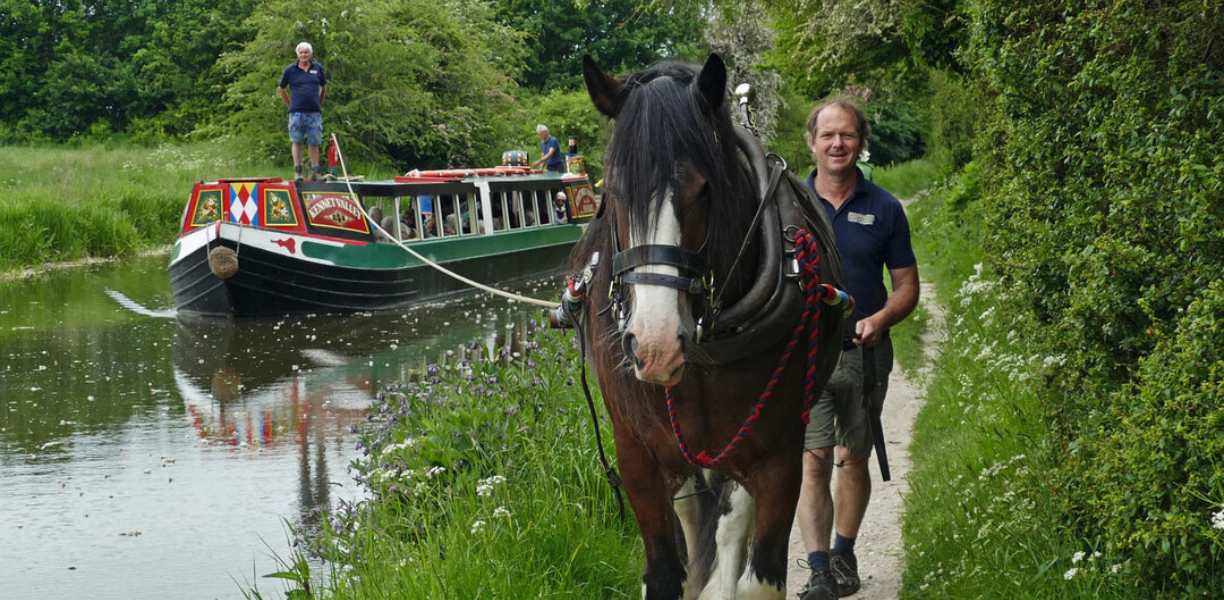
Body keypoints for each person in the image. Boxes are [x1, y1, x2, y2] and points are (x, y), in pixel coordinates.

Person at [797, 98, 920, 600]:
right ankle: (819, 569)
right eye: (828, 135)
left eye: (846, 135)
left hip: (864, 354)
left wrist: (881, 318)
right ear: (812, 142)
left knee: (853, 457)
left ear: (859, 142)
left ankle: (844, 553)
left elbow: (908, 286)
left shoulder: (885, 207)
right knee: (813, 460)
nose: (837, 144)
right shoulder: (791, 205)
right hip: (805, 359)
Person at [278, 41, 327, 181]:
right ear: (297, 54)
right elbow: (281, 88)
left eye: (306, 52)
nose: (304, 55)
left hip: (314, 112)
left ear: (310, 53)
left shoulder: (318, 68)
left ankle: (315, 172)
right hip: (296, 112)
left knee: (314, 142)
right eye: (301, 52)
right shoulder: (290, 70)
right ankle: (298, 172)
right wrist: (289, 105)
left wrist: (320, 103)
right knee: (296, 140)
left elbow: (324, 87)